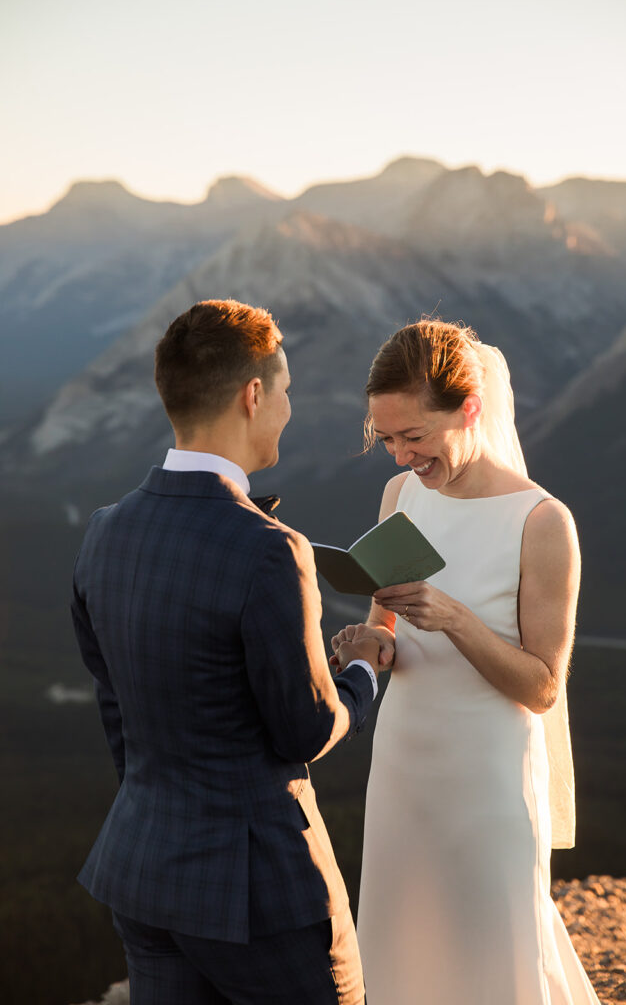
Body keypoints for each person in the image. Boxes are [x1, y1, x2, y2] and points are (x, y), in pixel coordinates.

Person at [71, 299, 381, 1005]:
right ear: (252, 395)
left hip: (144, 872)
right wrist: (362, 672)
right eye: (286, 391)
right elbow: (304, 729)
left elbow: (116, 706)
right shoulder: (269, 550)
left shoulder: (103, 531)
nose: (288, 409)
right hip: (261, 894)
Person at [331, 319, 600, 1004]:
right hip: (403, 762)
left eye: (413, 436)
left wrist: (453, 618)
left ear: (469, 410)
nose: (399, 457)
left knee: (493, 945)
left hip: (488, 773)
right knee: (402, 941)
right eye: (385, 438)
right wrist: (369, 646)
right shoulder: (400, 498)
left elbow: (541, 688)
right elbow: (386, 628)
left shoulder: (541, 522)